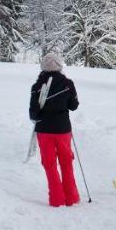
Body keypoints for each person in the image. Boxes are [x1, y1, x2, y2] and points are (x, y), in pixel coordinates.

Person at [30, 53, 81, 207]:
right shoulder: (68, 84)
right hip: (63, 129)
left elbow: (33, 112)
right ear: (59, 66)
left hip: (44, 130)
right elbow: (74, 105)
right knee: (66, 162)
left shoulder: (37, 86)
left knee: (49, 164)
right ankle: (71, 197)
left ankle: (56, 199)